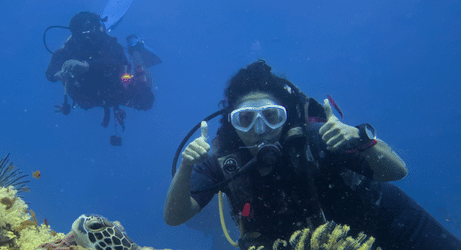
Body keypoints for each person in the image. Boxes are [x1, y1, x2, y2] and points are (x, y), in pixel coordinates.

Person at [164, 60, 461, 249]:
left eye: (271, 116)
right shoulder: (221, 159)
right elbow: (175, 217)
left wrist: (361, 139)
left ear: (287, 117)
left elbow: (397, 172)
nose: (259, 129)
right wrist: (186, 168)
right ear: (231, 122)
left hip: (392, 225)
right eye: (245, 119)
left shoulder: (317, 138)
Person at [45, 11, 154, 133]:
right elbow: (50, 74)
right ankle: (135, 51)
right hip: (94, 95)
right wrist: (58, 75)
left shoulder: (107, 43)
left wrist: (86, 66)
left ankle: (135, 49)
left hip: (113, 88)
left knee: (145, 99)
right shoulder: (67, 50)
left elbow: (115, 59)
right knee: (144, 100)